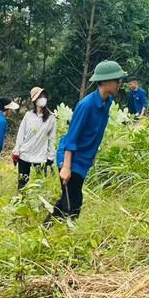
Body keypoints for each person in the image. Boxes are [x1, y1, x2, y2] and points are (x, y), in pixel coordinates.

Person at [54, 61, 128, 219]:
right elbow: (72, 137)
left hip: (83, 159)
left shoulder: (107, 102)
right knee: (73, 205)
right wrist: (66, 167)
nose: (119, 84)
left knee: (67, 201)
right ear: (105, 82)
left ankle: (45, 229)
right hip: (71, 158)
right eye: (117, 80)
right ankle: (66, 231)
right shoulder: (86, 105)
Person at [13, 87, 57, 189]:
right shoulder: (28, 115)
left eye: (44, 96)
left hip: (41, 156)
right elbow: (21, 134)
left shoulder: (51, 118)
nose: (43, 98)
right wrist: (16, 151)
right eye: (40, 96)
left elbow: (52, 138)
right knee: (22, 183)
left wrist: (51, 156)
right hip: (25, 154)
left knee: (39, 184)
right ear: (35, 100)